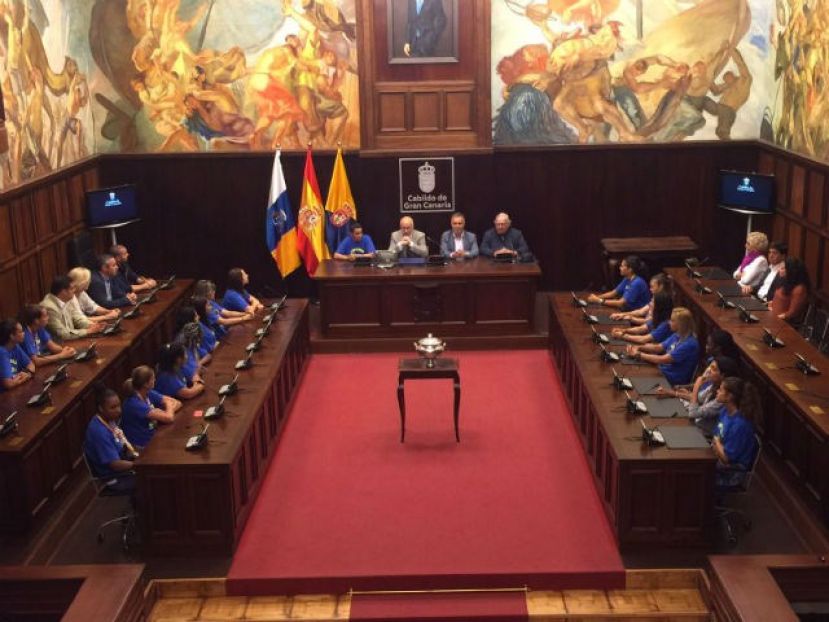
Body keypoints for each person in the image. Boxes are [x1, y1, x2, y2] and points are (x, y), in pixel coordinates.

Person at [656, 356, 740, 436]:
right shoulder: (715, 385)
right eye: (710, 367)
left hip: (702, 435)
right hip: (694, 424)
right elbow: (698, 398)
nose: (709, 370)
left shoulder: (722, 398)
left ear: (723, 375)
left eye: (714, 369)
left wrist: (696, 385)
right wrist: (673, 393)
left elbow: (693, 413)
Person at [626, 307, 700, 385]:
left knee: (635, 375)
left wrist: (639, 355)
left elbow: (662, 359)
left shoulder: (690, 344)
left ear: (681, 324)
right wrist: (639, 347)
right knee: (633, 370)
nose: (669, 322)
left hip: (672, 380)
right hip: (663, 371)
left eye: (672, 320)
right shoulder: (677, 335)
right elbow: (658, 348)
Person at [83, 385, 137, 494]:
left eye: (119, 405)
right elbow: (115, 464)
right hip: (116, 477)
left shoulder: (109, 419)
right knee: (154, 478)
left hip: (126, 464)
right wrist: (140, 466)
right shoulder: (99, 432)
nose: (118, 410)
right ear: (101, 408)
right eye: (113, 407)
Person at [712, 377, 761, 489]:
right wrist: (716, 442)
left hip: (730, 473)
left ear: (729, 396)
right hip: (717, 459)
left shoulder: (740, 425)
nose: (717, 391)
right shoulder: (725, 411)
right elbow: (716, 435)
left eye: (720, 390)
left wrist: (717, 442)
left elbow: (726, 458)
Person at [120, 366, 181, 449]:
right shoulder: (134, 403)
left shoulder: (148, 392)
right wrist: (167, 408)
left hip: (154, 433)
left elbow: (177, 403)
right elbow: (169, 417)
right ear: (145, 384)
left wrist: (162, 412)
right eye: (153, 379)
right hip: (143, 445)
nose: (155, 380)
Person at [41, 275, 104, 341]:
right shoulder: (49, 307)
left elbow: (77, 319)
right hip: (59, 345)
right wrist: (88, 331)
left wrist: (93, 325)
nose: (75, 290)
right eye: (72, 288)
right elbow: (62, 334)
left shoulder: (65, 299)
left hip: (71, 341)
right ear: (63, 291)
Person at [770, 257, 810, 323]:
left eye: (783, 268)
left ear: (791, 271)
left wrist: (773, 319)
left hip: (782, 324)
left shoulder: (799, 289)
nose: (779, 270)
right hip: (772, 316)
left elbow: (791, 314)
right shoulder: (786, 281)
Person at [0, 318, 35, 391]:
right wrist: (26, 376)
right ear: (12, 336)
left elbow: (31, 364)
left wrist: (27, 373)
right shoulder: (2, 352)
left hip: (16, 388)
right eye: (21, 331)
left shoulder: (15, 346)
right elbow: (8, 384)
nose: (24, 333)